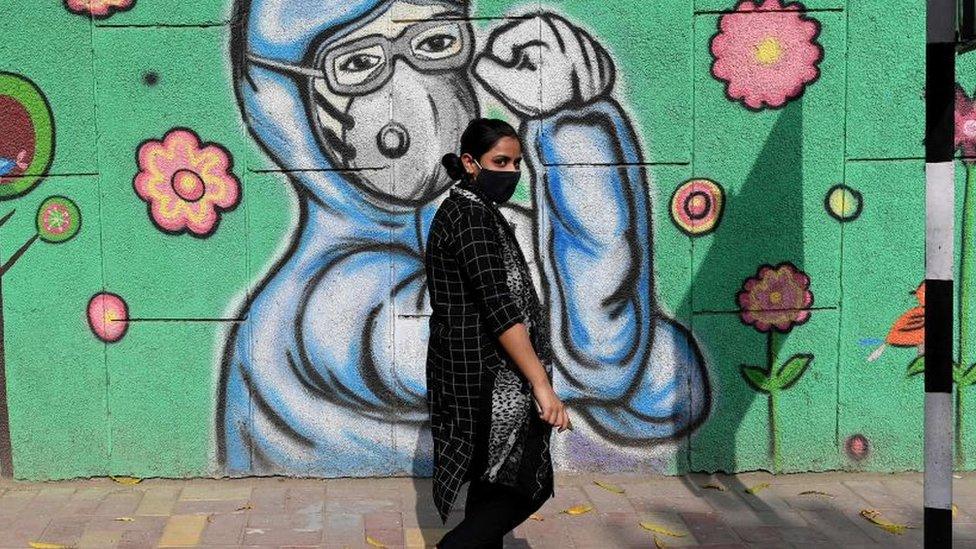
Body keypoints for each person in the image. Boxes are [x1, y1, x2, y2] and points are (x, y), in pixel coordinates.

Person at [425, 118, 571, 548]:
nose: (510, 172)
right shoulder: (470, 218)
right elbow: (499, 309)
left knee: (491, 484)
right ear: (471, 163)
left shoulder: (476, 211)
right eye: (499, 161)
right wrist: (541, 385)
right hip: (489, 377)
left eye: (516, 162)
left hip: (481, 372)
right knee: (528, 482)